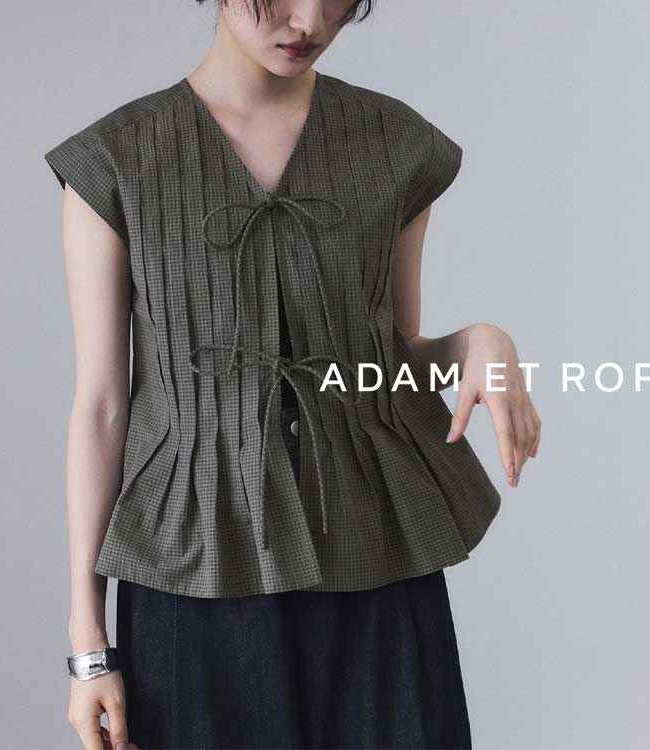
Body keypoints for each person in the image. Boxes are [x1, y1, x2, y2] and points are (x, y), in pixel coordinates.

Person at [45, 1, 541, 748]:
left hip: (376, 556)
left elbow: (387, 365)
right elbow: (103, 407)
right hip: (195, 570)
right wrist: (89, 647)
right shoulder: (115, 158)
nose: (309, 20)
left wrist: (478, 342)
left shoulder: (394, 143)